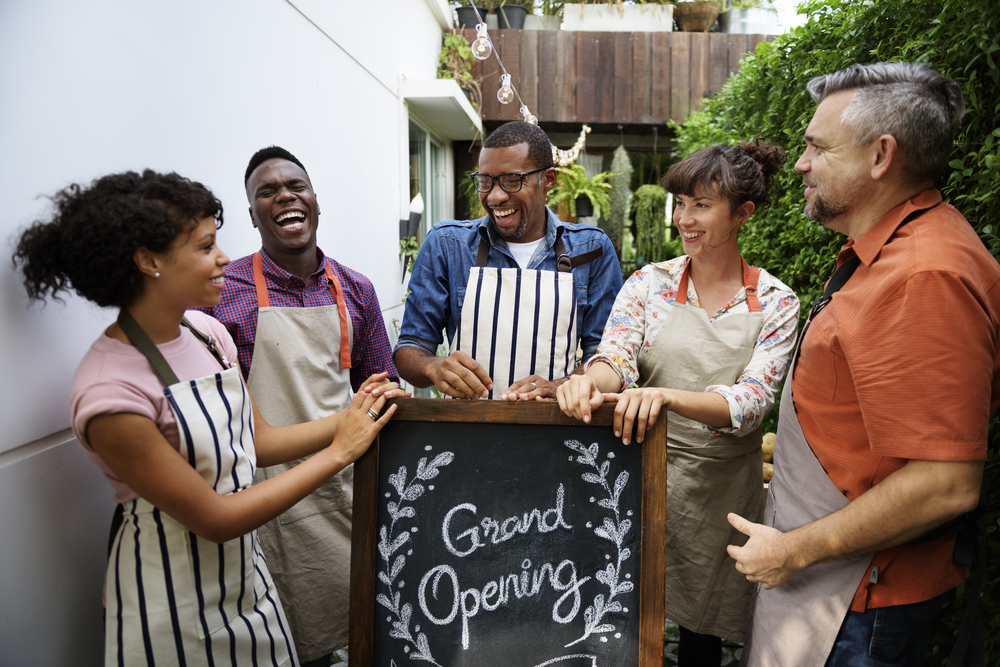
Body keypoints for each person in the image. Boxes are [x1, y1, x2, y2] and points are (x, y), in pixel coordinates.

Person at [12, 169, 402, 666]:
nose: (223, 259)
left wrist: (354, 416)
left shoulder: (206, 334)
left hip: (250, 585)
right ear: (149, 261)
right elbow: (216, 519)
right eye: (204, 247)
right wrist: (340, 450)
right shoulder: (110, 391)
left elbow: (257, 442)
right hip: (171, 601)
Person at [726, 62, 1000, 666]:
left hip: (857, 606)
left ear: (882, 155)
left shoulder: (924, 275)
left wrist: (794, 549)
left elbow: (945, 483)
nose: (800, 164)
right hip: (836, 587)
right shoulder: (883, 251)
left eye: (817, 147)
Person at [557, 139, 800, 666]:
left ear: (743, 214)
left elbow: (751, 403)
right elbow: (617, 357)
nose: (684, 219)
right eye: (680, 204)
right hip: (637, 472)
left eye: (701, 205)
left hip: (718, 492)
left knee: (700, 635)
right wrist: (590, 383)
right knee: (616, 615)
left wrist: (666, 396)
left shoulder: (777, 303)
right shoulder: (650, 283)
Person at [203, 146, 398, 667]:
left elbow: (383, 387)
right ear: (252, 215)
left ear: (315, 201)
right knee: (286, 637)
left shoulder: (356, 288)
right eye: (267, 191)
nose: (285, 196)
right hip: (264, 495)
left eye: (296, 186)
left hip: (347, 489)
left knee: (370, 627)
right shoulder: (224, 295)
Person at [394, 121, 620, 400]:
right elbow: (409, 348)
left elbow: (607, 355)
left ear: (548, 179)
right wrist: (434, 366)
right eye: (485, 182)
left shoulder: (591, 249)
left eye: (512, 180)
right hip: (466, 429)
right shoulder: (448, 245)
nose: (495, 196)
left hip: (557, 429)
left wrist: (560, 386)